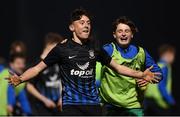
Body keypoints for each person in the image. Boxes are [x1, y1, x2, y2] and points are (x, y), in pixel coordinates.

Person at [7, 8, 161, 116]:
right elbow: (37, 69)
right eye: (81, 22)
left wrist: (142, 74)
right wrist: (21, 78)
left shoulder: (96, 48)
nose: (86, 25)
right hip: (71, 106)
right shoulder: (61, 49)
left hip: (93, 106)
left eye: (88, 22)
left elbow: (118, 68)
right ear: (71, 27)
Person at [98, 16, 162, 116]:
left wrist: (148, 78)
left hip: (134, 107)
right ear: (114, 35)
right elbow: (88, 55)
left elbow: (159, 74)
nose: (123, 34)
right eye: (120, 31)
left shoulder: (141, 53)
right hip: (110, 106)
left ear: (132, 34)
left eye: (127, 31)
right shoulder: (108, 50)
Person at [26, 32, 64, 115]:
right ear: (50, 45)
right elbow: (29, 86)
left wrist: (61, 98)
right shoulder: (37, 64)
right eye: (57, 46)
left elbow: (62, 81)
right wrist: (44, 100)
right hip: (41, 109)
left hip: (57, 108)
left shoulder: (58, 63)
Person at [144, 44, 176, 115]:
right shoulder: (165, 67)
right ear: (168, 54)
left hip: (148, 99)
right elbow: (161, 85)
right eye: (173, 55)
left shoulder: (155, 66)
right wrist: (171, 101)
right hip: (158, 101)